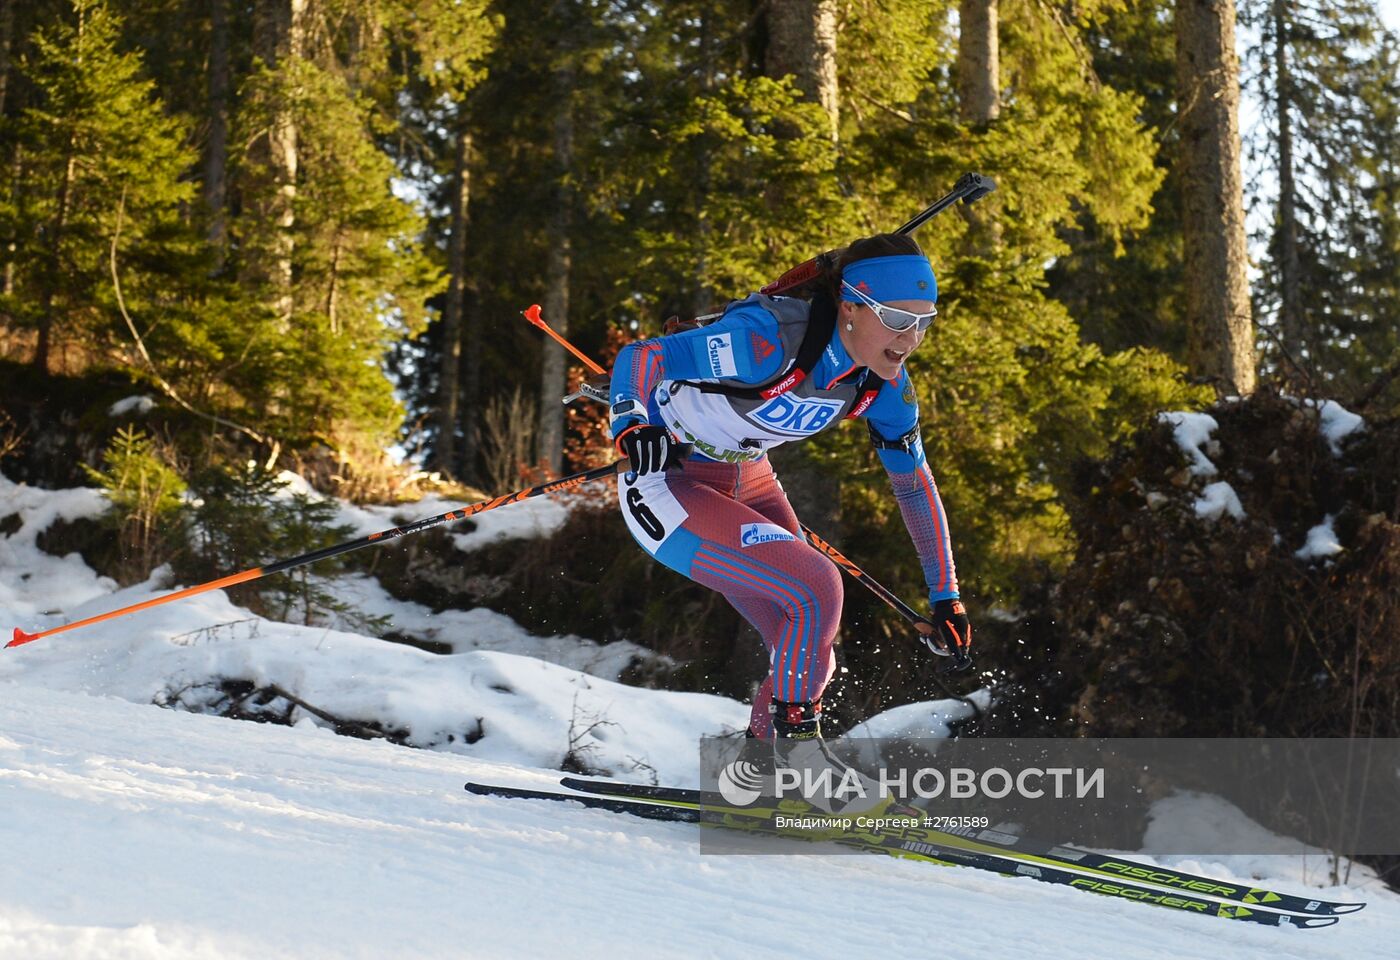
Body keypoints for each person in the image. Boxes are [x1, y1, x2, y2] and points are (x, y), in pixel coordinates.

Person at [607, 233, 971, 742]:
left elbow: (913, 487)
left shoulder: (886, 388)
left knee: (807, 652)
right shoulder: (767, 341)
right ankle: (799, 768)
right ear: (850, 306)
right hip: (670, 482)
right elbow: (644, 356)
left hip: (749, 478)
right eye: (896, 318)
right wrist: (631, 422)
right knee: (818, 587)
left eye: (923, 322)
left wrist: (945, 595)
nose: (910, 339)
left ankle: (757, 779)